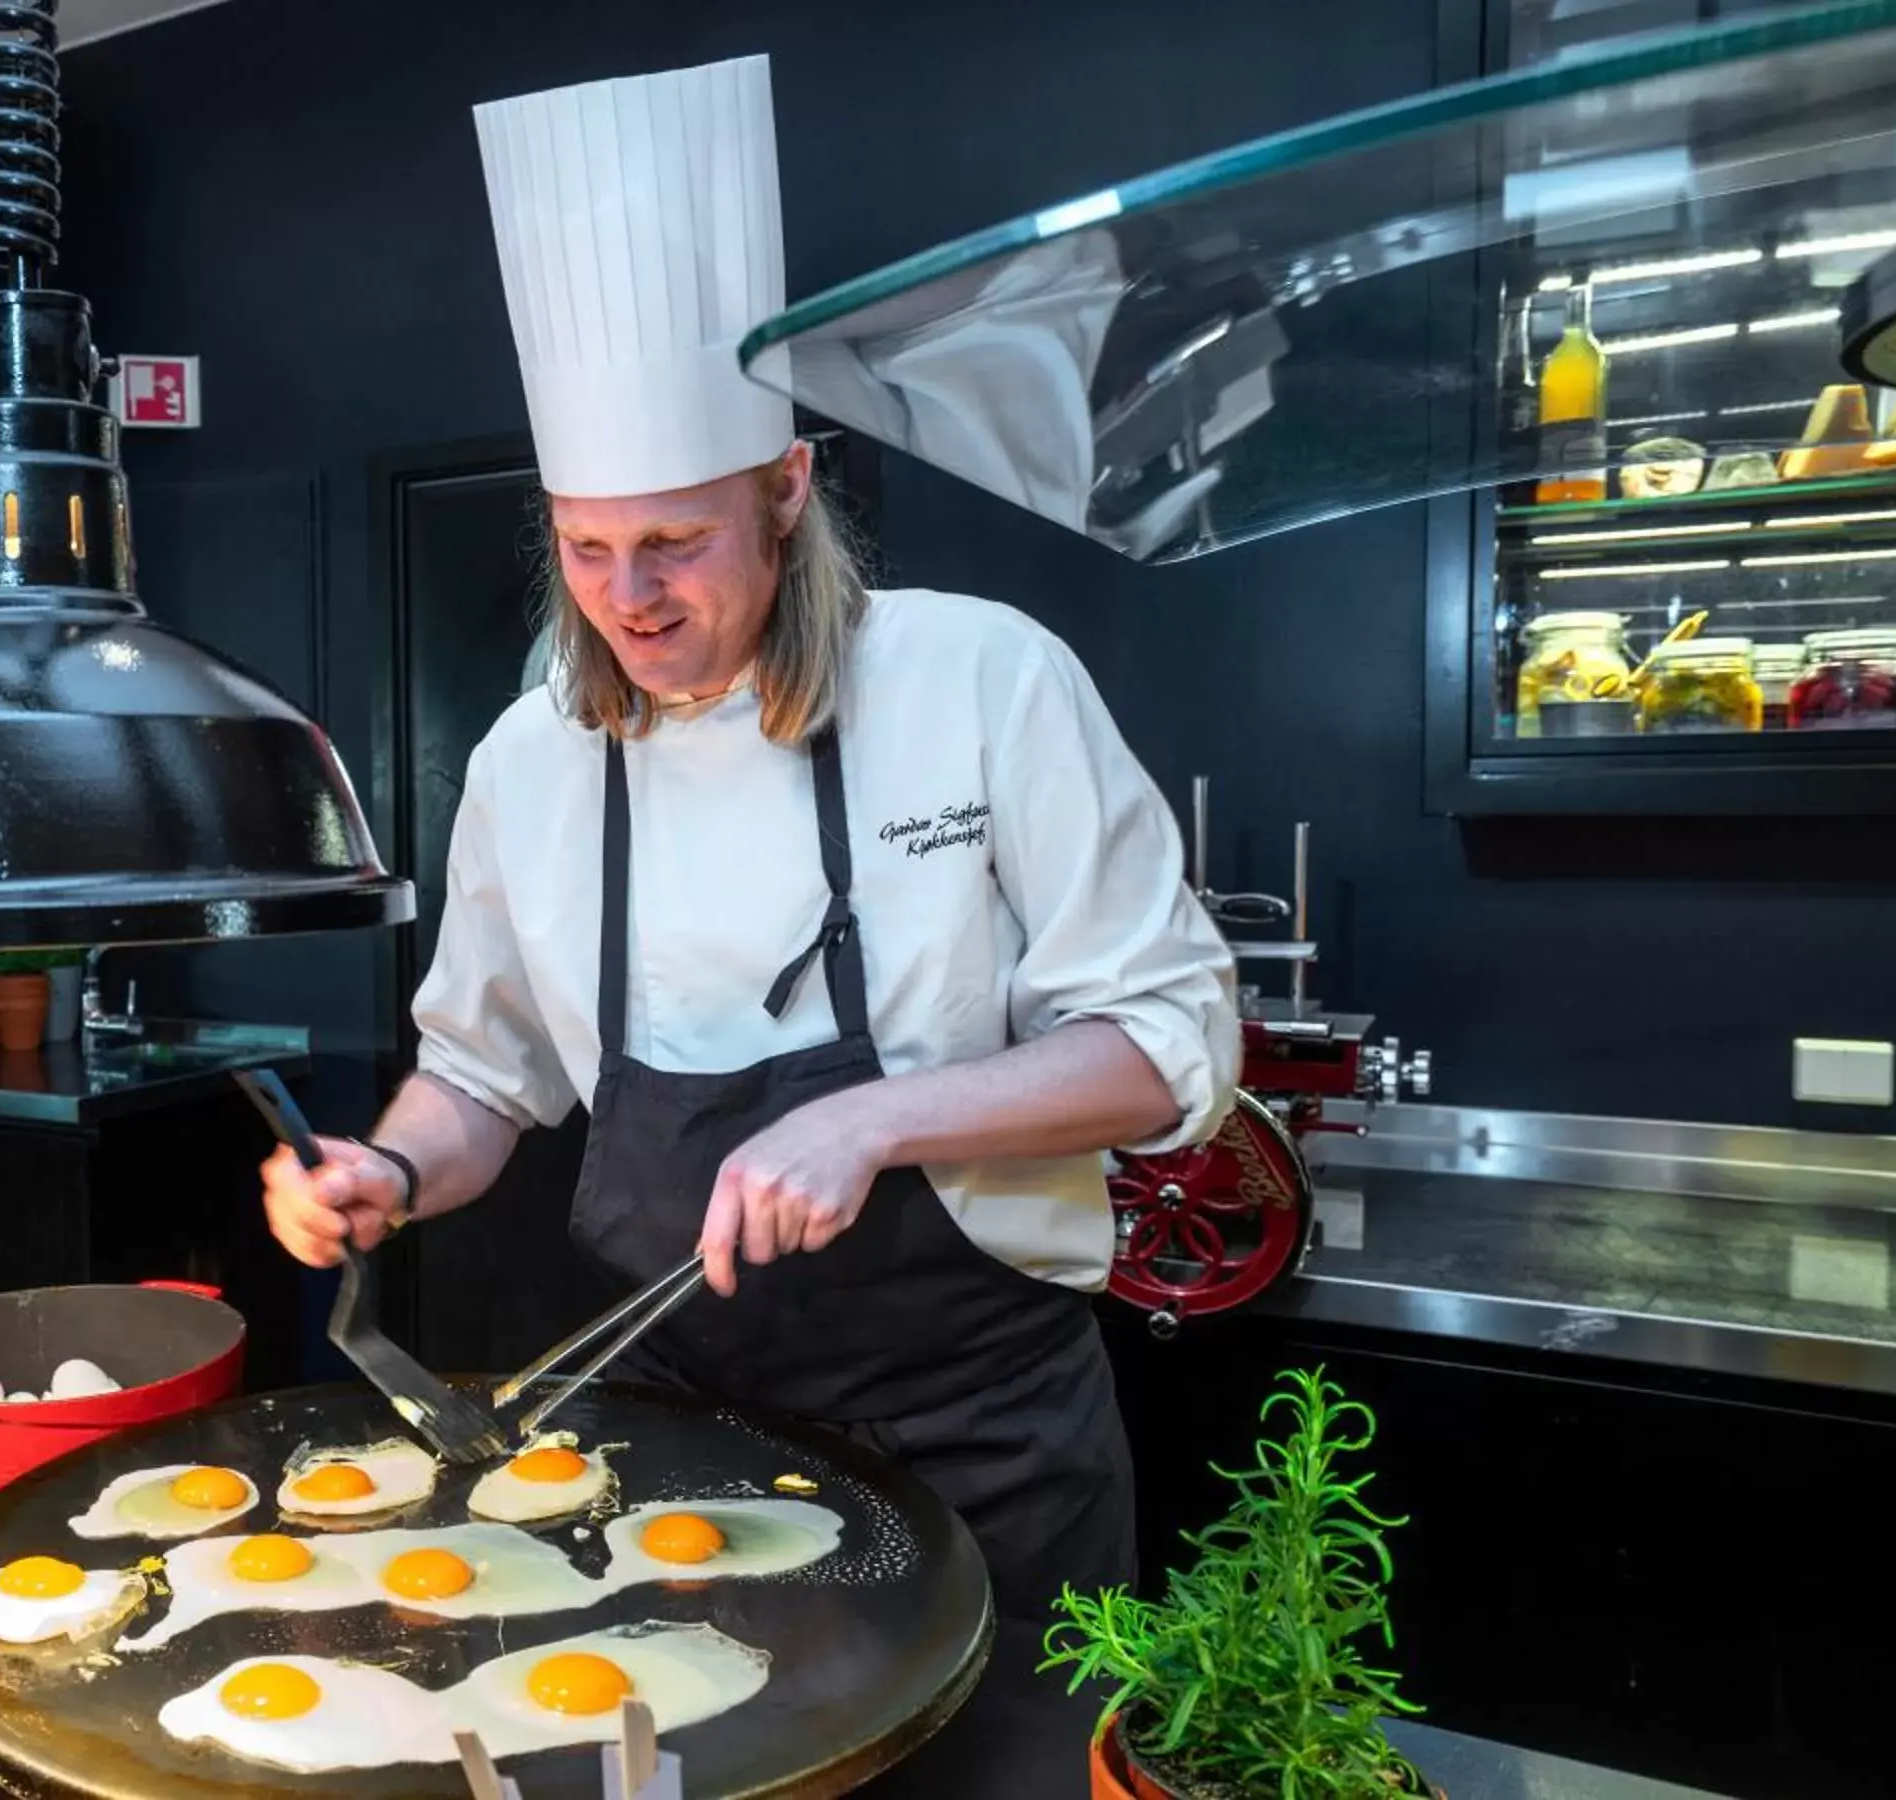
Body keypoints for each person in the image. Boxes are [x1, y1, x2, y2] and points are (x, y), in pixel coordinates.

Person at [260, 54, 1238, 1618]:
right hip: (682, 1455)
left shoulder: (983, 676)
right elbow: (483, 1077)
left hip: (989, 1440)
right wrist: (383, 1166)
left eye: (673, 541)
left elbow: (1169, 1044)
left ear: (786, 492)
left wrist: (874, 1120)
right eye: (585, 548)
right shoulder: (531, 762)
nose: (629, 598)